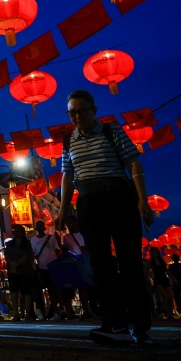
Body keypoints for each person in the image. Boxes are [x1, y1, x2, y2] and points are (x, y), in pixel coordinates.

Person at [56, 90, 154, 346]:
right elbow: (67, 176)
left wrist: (142, 199)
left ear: (94, 110)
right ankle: (114, 323)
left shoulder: (112, 131)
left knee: (129, 261)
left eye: (82, 111)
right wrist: (64, 208)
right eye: (72, 112)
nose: (77, 116)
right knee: (100, 264)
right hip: (88, 203)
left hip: (119, 197)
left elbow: (133, 163)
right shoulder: (68, 141)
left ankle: (140, 326)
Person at [61, 217, 95, 320]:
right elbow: (64, 251)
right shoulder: (66, 237)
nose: (70, 226)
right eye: (68, 224)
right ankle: (87, 311)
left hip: (88, 262)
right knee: (82, 288)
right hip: (76, 263)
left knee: (92, 287)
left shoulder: (85, 234)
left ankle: (95, 309)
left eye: (72, 223)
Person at [4, 226, 36, 321]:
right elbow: (6, 254)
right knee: (13, 292)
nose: (17, 233)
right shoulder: (10, 244)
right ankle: (16, 314)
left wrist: (16, 264)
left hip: (24, 270)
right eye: (16, 231)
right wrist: (11, 263)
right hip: (13, 271)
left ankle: (27, 314)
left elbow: (27, 256)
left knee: (26, 292)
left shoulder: (27, 244)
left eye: (19, 231)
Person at [30, 220, 60, 320]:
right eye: (37, 226)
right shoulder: (33, 240)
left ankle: (55, 310)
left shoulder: (51, 238)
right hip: (42, 267)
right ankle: (49, 311)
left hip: (53, 266)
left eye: (41, 226)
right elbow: (32, 254)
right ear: (36, 228)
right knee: (46, 289)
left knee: (53, 289)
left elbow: (56, 250)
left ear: (44, 228)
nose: (39, 228)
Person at [146, 248, 174, 320]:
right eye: (153, 252)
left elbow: (166, 270)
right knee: (164, 296)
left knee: (170, 297)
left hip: (165, 279)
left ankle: (168, 310)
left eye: (156, 252)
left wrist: (172, 277)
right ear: (151, 254)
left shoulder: (162, 261)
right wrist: (146, 279)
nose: (155, 254)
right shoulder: (150, 261)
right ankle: (168, 313)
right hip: (158, 280)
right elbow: (146, 271)